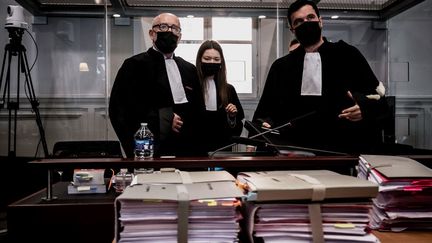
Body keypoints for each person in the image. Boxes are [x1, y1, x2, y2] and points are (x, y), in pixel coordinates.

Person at [252, 0, 389, 155]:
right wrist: (265, 123)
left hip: (343, 151)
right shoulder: (281, 67)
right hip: (294, 153)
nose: (306, 23)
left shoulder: (348, 55)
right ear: (292, 29)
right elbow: (264, 113)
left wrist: (364, 109)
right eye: (299, 21)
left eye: (310, 18)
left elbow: (380, 103)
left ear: (320, 21)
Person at [109, 13, 206, 158]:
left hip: (187, 149)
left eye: (174, 29)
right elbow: (119, 111)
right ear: (152, 33)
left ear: (179, 37)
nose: (169, 32)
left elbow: (199, 110)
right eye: (163, 27)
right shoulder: (134, 65)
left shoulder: (189, 69)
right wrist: (163, 121)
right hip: (152, 148)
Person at [196, 40, 245, 152]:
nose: (212, 62)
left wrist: (232, 117)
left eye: (216, 59)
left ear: (221, 62)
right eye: (207, 59)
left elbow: (237, 127)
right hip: (197, 149)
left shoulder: (228, 90)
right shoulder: (192, 87)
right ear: (200, 60)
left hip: (222, 149)